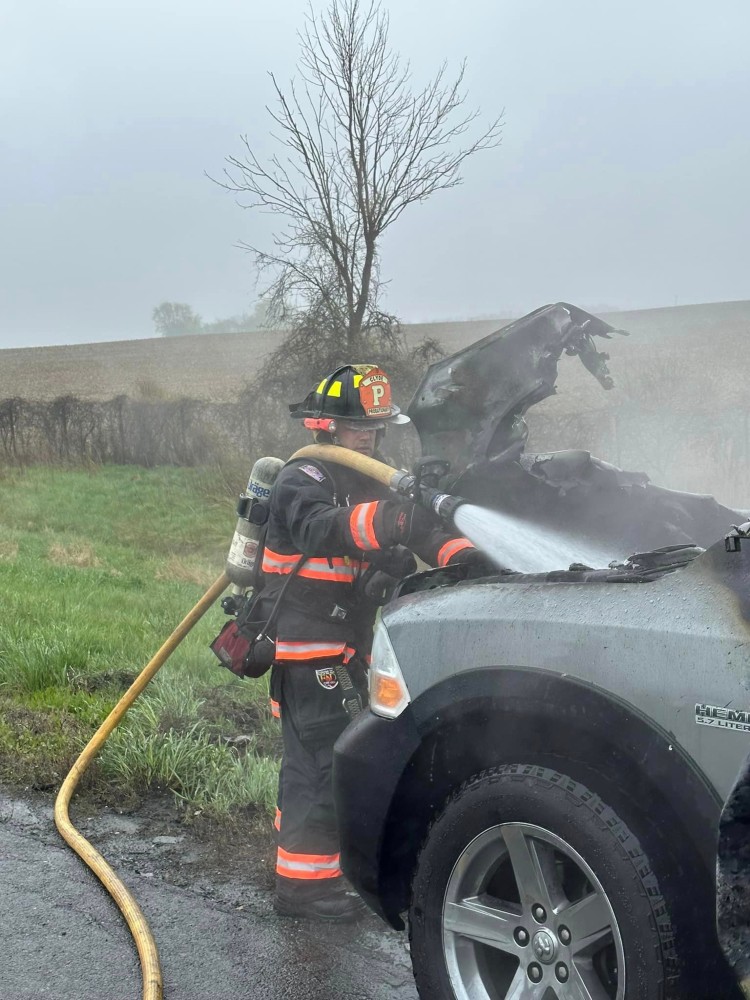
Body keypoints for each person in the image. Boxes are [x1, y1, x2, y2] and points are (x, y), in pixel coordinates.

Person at [263, 364, 487, 921]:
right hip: (306, 649)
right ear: (329, 426)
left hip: (344, 647)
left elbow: (412, 526)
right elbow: (321, 528)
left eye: (377, 428)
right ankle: (303, 888)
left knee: (322, 761)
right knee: (319, 764)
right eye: (362, 428)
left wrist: (463, 556)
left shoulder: (371, 477)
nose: (372, 437)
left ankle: (310, 862)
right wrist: (389, 519)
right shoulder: (303, 478)